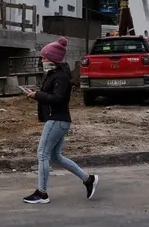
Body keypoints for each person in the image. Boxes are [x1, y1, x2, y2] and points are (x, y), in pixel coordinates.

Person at [21, 37, 99, 204]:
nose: (43, 60)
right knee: (55, 156)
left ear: (53, 58)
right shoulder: (55, 73)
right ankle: (88, 179)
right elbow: (50, 95)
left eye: (45, 58)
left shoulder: (61, 76)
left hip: (57, 119)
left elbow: (58, 99)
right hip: (57, 119)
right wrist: (36, 94)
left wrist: (37, 95)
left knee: (42, 154)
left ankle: (41, 193)